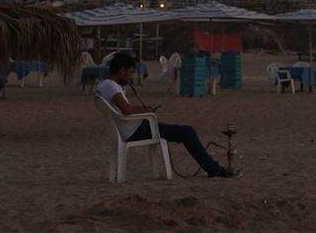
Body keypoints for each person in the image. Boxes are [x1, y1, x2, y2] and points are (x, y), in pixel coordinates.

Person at [95, 52, 236, 178]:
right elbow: (126, 110)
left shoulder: (103, 85)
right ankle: (214, 169)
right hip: (136, 131)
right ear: (122, 70)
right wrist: (146, 111)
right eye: (130, 72)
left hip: (133, 128)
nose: (131, 76)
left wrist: (142, 109)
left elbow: (124, 109)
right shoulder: (112, 87)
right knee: (188, 132)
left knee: (183, 131)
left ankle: (213, 168)